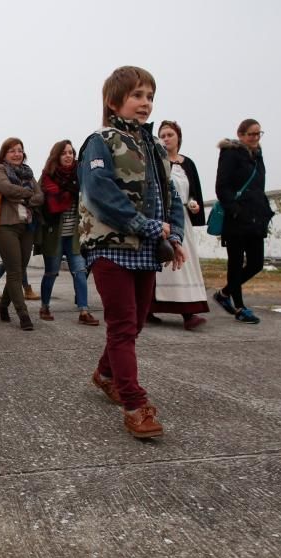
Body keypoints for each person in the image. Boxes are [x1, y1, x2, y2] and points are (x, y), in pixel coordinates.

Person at [78, 66, 186, 439]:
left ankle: (105, 374)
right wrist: (149, 227)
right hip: (110, 246)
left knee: (136, 323)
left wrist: (174, 238)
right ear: (114, 101)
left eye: (150, 96)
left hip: (146, 247)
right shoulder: (99, 141)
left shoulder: (155, 147)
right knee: (123, 326)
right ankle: (135, 405)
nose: (145, 103)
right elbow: (100, 194)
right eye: (138, 95)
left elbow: (170, 197)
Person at [148, 120, 210, 329]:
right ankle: (159, 308)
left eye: (170, 135)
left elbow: (194, 191)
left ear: (178, 138)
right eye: (162, 135)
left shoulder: (187, 164)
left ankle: (188, 309)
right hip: (164, 218)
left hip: (183, 218)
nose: (166, 139)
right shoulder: (157, 161)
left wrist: (194, 206)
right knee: (164, 261)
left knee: (186, 263)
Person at [212, 118, 274, 324]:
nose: (255, 138)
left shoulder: (258, 156)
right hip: (237, 220)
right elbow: (222, 186)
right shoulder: (230, 154)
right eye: (251, 134)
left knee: (256, 263)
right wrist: (236, 210)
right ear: (240, 135)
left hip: (256, 218)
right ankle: (239, 307)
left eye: (258, 134)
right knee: (236, 263)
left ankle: (224, 293)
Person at [37, 140, 99, 326]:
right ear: (57, 155)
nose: (68, 156)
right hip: (54, 235)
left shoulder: (81, 176)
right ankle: (44, 306)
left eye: (71, 152)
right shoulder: (48, 177)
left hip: (74, 236)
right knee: (51, 273)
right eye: (64, 153)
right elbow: (41, 204)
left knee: (80, 271)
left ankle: (84, 311)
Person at [0, 137, 44, 331]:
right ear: (4, 154)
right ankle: (23, 315)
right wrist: (29, 195)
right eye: (12, 150)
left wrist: (24, 195)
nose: (17, 154)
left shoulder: (29, 174)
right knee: (14, 271)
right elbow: (5, 188)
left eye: (19, 150)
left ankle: (3, 305)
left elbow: (41, 196)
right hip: (5, 226)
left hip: (27, 226)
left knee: (19, 270)